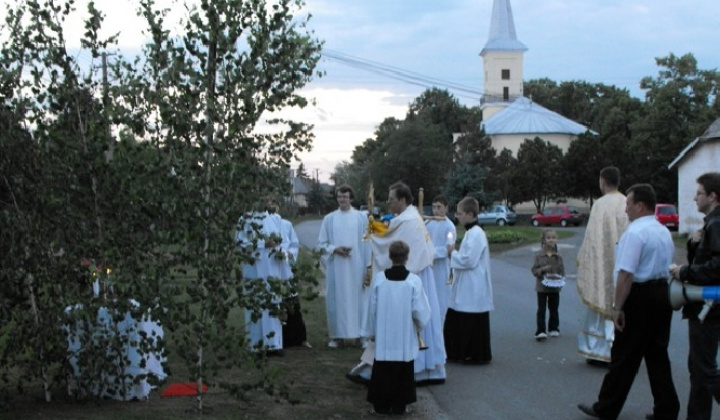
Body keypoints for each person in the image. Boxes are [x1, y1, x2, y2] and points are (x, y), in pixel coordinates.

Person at [578, 183, 679, 420]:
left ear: (640, 206)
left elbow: (626, 274)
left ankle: (606, 407)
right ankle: (667, 409)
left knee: (623, 356)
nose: (626, 209)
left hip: (639, 297)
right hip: (661, 294)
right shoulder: (662, 231)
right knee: (657, 356)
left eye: (629, 203)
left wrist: (617, 308)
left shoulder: (634, 233)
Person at [348, 181, 446, 385]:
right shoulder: (408, 218)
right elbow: (389, 234)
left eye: (392, 199)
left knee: (408, 323)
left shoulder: (409, 221)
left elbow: (388, 245)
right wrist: (377, 229)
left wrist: (373, 233)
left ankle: (419, 369)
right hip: (414, 278)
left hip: (412, 280)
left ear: (402, 200)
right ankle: (418, 368)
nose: (389, 202)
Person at [670, 172, 720, 420]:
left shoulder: (717, 223)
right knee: (700, 368)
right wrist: (692, 245)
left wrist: (683, 271)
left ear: (712, 197)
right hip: (705, 305)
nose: (694, 197)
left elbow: (717, 267)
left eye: (699, 192)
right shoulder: (710, 224)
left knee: (704, 370)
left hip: (708, 306)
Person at [364, 240, 431, 415]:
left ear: (390, 257)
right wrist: (419, 326)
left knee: (382, 369)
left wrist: (371, 331)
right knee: (403, 369)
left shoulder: (379, 280)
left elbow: (372, 309)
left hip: (384, 336)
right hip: (404, 334)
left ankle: (380, 406)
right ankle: (400, 406)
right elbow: (420, 311)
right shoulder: (413, 282)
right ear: (407, 258)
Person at [577, 166, 629, 364]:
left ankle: (598, 352)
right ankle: (619, 349)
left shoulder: (599, 204)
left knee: (599, 309)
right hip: (622, 265)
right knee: (621, 306)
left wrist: (588, 261)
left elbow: (592, 239)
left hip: (602, 267)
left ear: (603, 181)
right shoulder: (626, 201)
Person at [317, 185, 371, 349]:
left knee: (359, 299)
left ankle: (361, 336)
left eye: (345, 197)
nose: (342, 199)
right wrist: (334, 249)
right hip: (337, 267)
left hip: (356, 265)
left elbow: (367, 243)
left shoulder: (361, 218)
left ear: (351, 198)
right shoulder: (330, 219)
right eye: (339, 197)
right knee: (337, 300)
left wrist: (368, 266)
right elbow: (321, 244)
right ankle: (337, 336)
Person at [235, 198, 289, 356]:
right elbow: (240, 243)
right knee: (255, 304)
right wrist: (261, 244)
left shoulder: (276, 218)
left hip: (273, 268)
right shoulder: (245, 218)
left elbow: (284, 242)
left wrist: (281, 251)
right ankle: (256, 345)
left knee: (274, 302)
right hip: (254, 268)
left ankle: (275, 344)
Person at [444, 196, 494, 364]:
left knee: (467, 317)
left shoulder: (476, 234)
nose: (457, 216)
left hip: (473, 283)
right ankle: (462, 352)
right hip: (468, 282)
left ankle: (469, 354)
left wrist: (452, 252)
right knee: (460, 315)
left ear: (470, 214)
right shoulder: (471, 233)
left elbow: (468, 260)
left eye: (460, 213)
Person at [279, 215, 312, 349]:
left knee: (292, 303)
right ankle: (279, 339)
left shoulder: (286, 224)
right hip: (269, 268)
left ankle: (300, 338)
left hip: (286, 267)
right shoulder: (262, 225)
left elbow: (294, 243)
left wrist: (290, 253)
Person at [424, 195, 457, 325]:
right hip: (428, 265)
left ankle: (442, 327)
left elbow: (448, 247)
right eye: (434, 207)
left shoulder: (450, 226)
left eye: (439, 207)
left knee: (442, 298)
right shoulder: (428, 223)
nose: (436, 210)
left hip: (441, 266)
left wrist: (432, 252)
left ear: (446, 208)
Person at [530, 229, 565, 341]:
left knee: (554, 308)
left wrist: (561, 279)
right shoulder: (539, 255)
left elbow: (562, 271)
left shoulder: (558, 256)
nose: (551, 240)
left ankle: (554, 328)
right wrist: (542, 270)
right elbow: (534, 270)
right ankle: (540, 330)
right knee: (541, 309)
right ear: (544, 240)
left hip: (555, 287)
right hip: (542, 287)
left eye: (553, 238)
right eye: (548, 238)